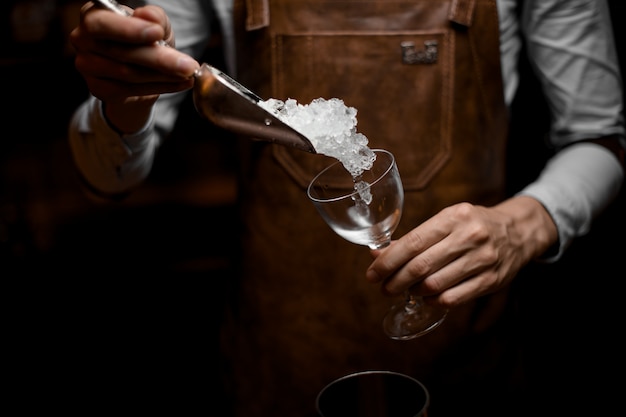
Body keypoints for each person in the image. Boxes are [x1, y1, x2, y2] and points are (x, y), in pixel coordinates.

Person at [68, 0, 625, 416]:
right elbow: (107, 178)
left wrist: (524, 224)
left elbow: (600, 138)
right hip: (278, 365)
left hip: (470, 360)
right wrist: (123, 100)